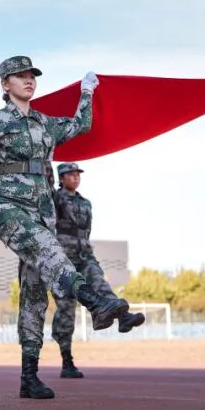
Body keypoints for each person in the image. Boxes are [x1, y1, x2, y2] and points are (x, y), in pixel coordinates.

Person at [0, 56, 142, 399]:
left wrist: (87, 92)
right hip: (6, 206)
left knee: (34, 291)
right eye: (20, 76)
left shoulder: (44, 122)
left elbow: (80, 125)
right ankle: (94, 301)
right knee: (50, 250)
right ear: (5, 84)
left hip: (42, 211)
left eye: (32, 76)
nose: (29, 80)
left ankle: (29, 376)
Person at [49, 162, 144, 379]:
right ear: (61, 178)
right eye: (71, 175)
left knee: (101, 284)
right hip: (63, 259)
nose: (76, 178)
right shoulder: (55, 198)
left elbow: (86, 230)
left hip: (84, 254)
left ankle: (123, 318)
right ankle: (67, 361)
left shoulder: (86, 203)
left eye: (77, 175)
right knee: (66, 308)